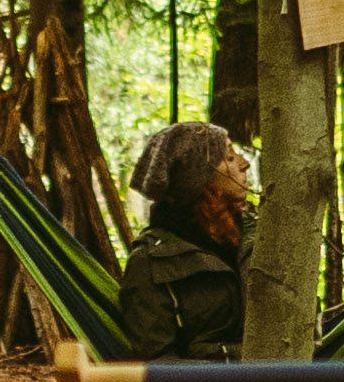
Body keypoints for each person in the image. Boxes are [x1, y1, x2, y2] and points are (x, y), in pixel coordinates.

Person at [105, 123, 250, 362]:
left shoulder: (260, 236)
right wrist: (237, 357)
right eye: (230, 158)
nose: (244, 164)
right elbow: (157, 363)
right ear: (199, 178)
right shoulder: (150, 263)